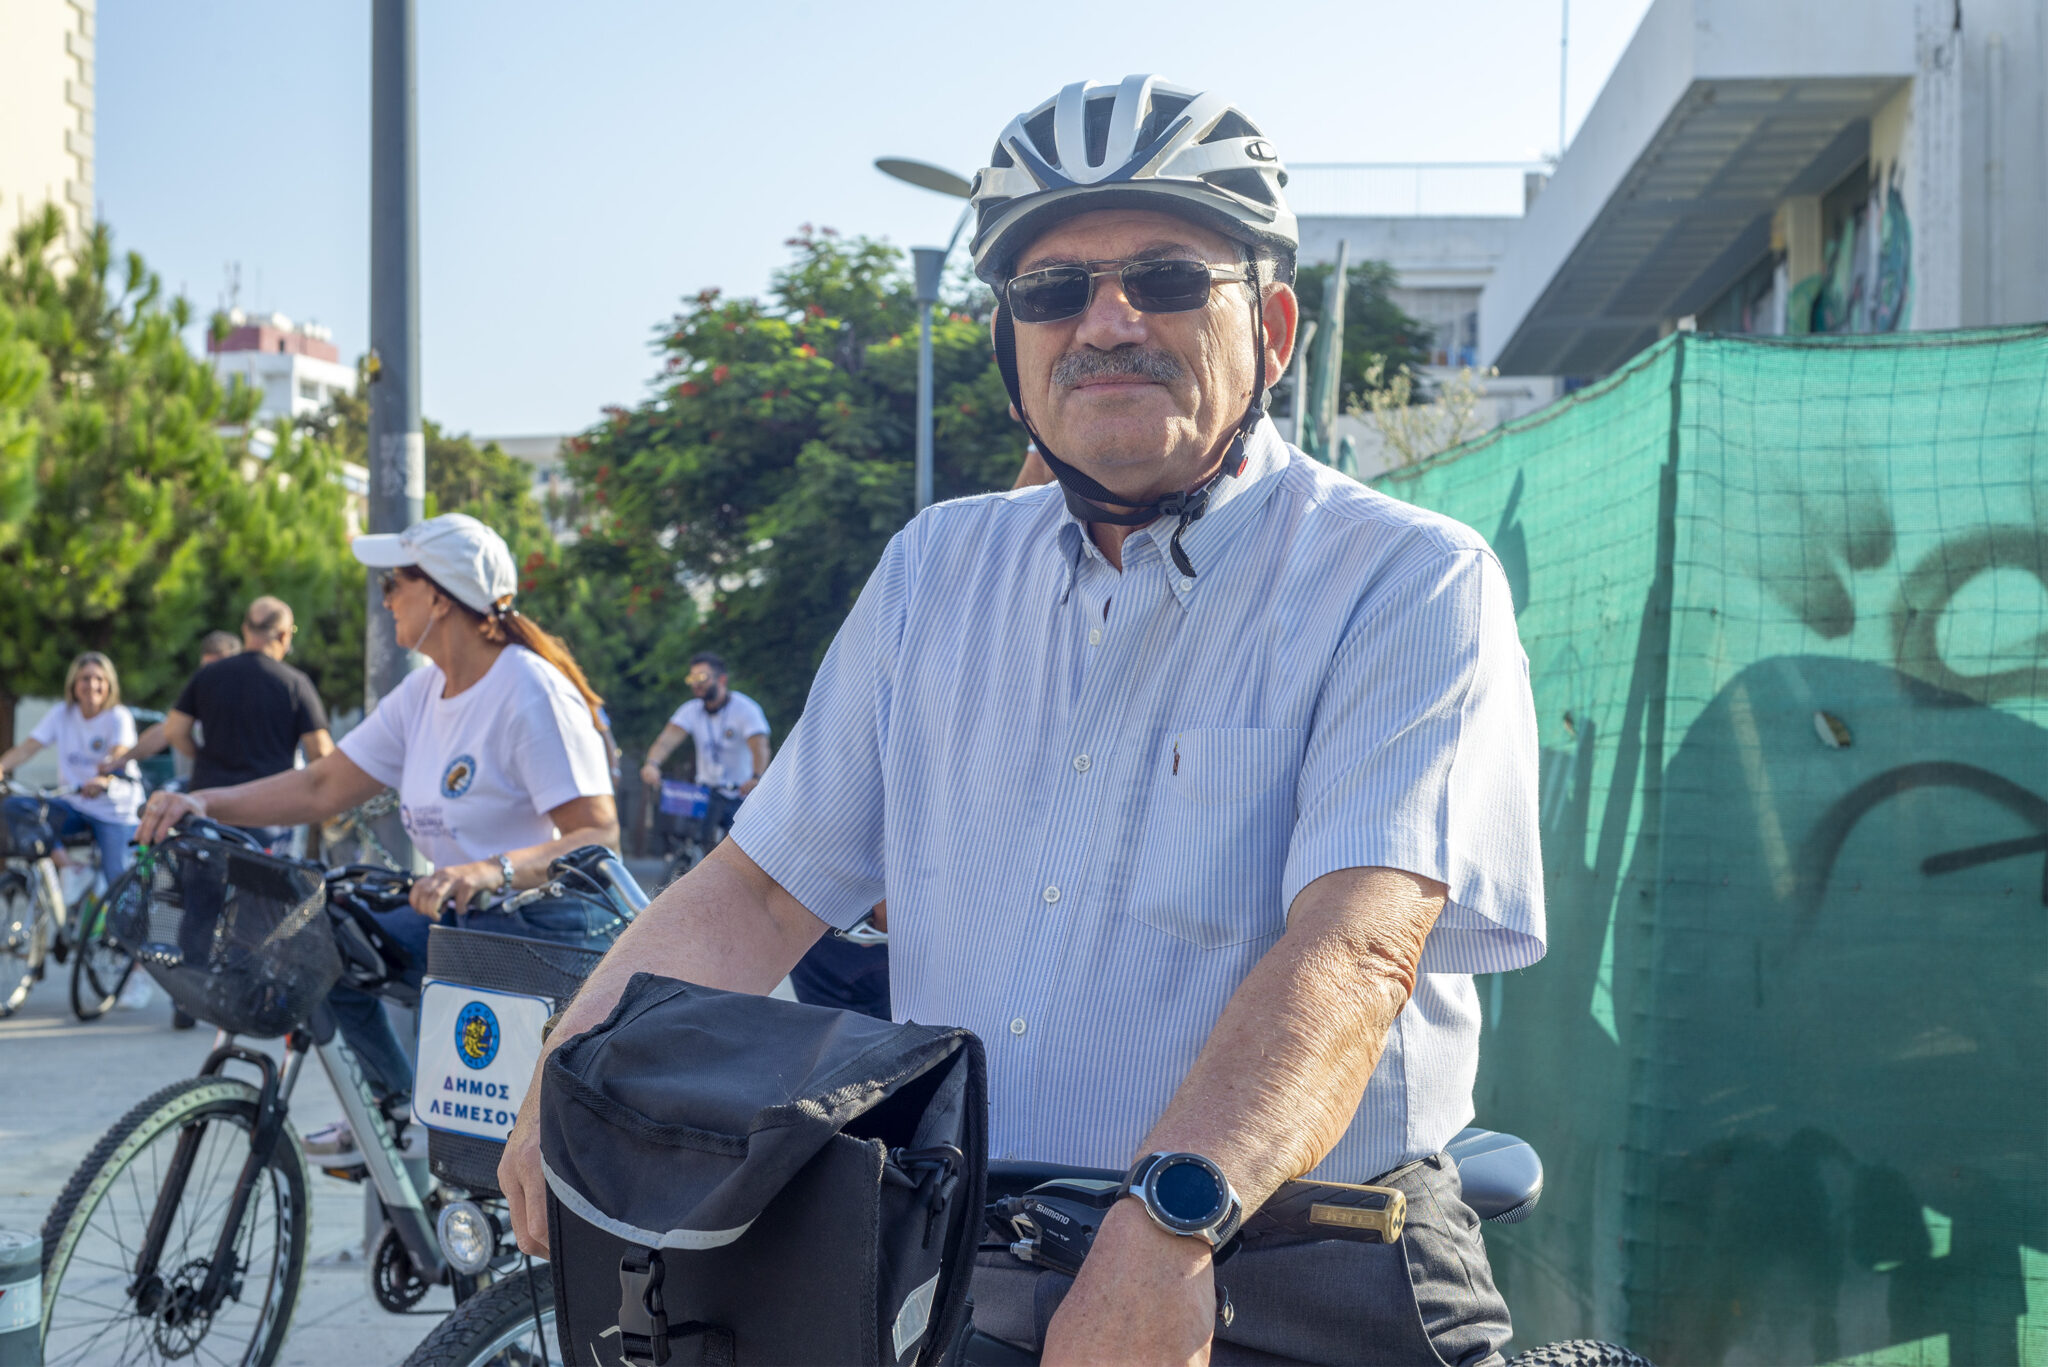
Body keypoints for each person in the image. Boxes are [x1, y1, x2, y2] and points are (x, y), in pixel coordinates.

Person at [499, 76, 1543, 1367]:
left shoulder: (1405, 579)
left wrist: (1170, 1218)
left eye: (1165, 277)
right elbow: (759, 892)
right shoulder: (933, 574)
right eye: (1052, 291)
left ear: (1273, 327)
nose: (1106, 320)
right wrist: (576, 1059)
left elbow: (1354, 951)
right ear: (1012, 347)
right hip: (978, 1259)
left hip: (1309, 1260)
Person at [136, 513, 626, 1155]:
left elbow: (597, 836)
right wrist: (199, 801)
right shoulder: (423, 692)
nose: (385, 597)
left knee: (481, 1149)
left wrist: (487, 870)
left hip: (547, 928)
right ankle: (393, 1107)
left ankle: (460, 1163)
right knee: (321, 936)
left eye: (395, 582)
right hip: (468, 919)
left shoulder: (529, 689)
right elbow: (320, 786)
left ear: (441, 597)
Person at [112, 599, 332, 854]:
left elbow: (174, 731)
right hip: (269, 810)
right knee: (264, 890)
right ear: (283, 635)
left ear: (245, 629)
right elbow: (321, 752)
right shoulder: (295, 683)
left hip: (209, 806)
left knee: (203, 887)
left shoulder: (208, 674)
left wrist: (203, 756)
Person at [0, 653, 145, 880]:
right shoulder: (62, 713)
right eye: (85, 679)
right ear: (74, 684)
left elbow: (121, 753)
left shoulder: (118, 716)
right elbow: (28, 747)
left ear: (109, 685)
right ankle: (70, 869)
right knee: (18, 808)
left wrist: (104, 780)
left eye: (100, 679)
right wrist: (2, 766)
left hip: (114, 810)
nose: (92, 685)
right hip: (75, 805)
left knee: (118, 881)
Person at [637, 653, 771, 795]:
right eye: (692, 679)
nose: (695, 684)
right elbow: (666, 741)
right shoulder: (691, 710)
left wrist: (757, 777)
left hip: (739, 794)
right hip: (704, 793)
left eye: (701, 678)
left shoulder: (746, 708)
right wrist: (652, 764)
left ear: (722, 679)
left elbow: (760, 746)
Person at [118, 630, 240, 775]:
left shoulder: (245, 703)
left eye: (219, 668)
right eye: (207, 668)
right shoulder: (198, 696)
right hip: (193, 790)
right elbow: (166, 730)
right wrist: (122, 759)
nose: (211, 676)